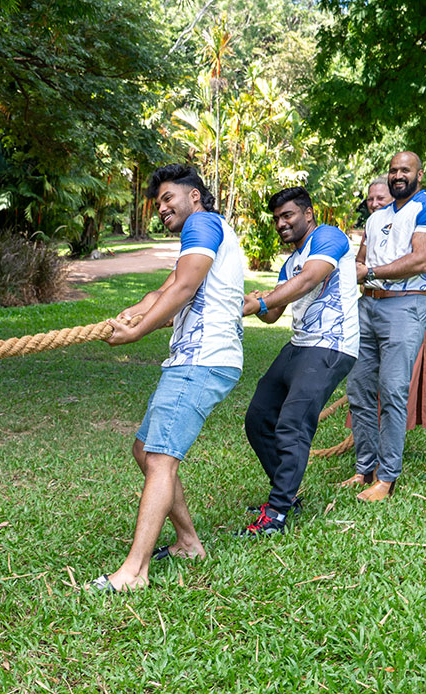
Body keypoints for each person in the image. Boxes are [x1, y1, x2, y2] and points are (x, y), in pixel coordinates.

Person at [89, 163, 244, 591]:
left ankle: (134, 571)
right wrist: (134, 313)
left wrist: (138, 331)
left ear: (194, 196)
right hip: (193, 359)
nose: (161, 208)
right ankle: (189, 543)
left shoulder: (204, 224)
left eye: (167, 198)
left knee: (160, 459)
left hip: (203, 359)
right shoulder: (202, 236)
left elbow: (184, 290)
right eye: (158, 202)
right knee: (145, 451)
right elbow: (164, 291)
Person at [239, 186, 358, 536]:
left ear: (308, 213)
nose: (281, 223)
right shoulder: (290, 262)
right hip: (300, 344)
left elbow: (310, 279)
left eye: (287, 215)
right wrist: (257, 300)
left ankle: (276, 515)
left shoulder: (328, 236)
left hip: (332, 345)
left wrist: (261, 304)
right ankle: (286, 496)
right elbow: (274, 313)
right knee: (259, 418)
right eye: (277, 218)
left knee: (292, 423)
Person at [343, 152, 426, 500]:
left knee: (392, 390)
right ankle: (364, 469)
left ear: (420, 175)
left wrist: (370, 272)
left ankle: (386, 478)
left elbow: (421, 260)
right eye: (393, 170)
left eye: (405, 170)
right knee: (359, 389)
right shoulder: (377, 217)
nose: (398, 175)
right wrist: (360, 269)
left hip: (407, 306)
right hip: (369, 304)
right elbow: (361, 259)